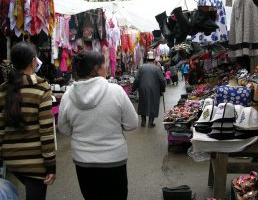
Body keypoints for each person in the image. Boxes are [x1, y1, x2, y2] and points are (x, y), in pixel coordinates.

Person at [58, 51, 138, 200]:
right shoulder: (116, 91)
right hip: (114, 159)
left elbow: (63, 128)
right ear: (96, 69)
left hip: (83, 161)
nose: (107, 68)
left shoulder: (68, 95)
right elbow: (132, 124)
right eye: (104, 65)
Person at [0, 42, 56, 200]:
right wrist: (50, 165)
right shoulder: (41, 87)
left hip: (10, 159)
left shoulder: (3, 88)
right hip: (35, 162)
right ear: (33, 61)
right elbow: (46, 130)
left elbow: (1, 128)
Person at [133, 51, 166, 127]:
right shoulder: (157, 68)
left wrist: (134, 88)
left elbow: (137, 79)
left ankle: (143, 122)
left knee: (143, 103)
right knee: (153, 104)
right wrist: (162, 89)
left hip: (142, 88)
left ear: (146, 59)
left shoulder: (141, 67)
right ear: (154, 59)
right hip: (154, 89)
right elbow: (162, 80)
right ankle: (150, 123)